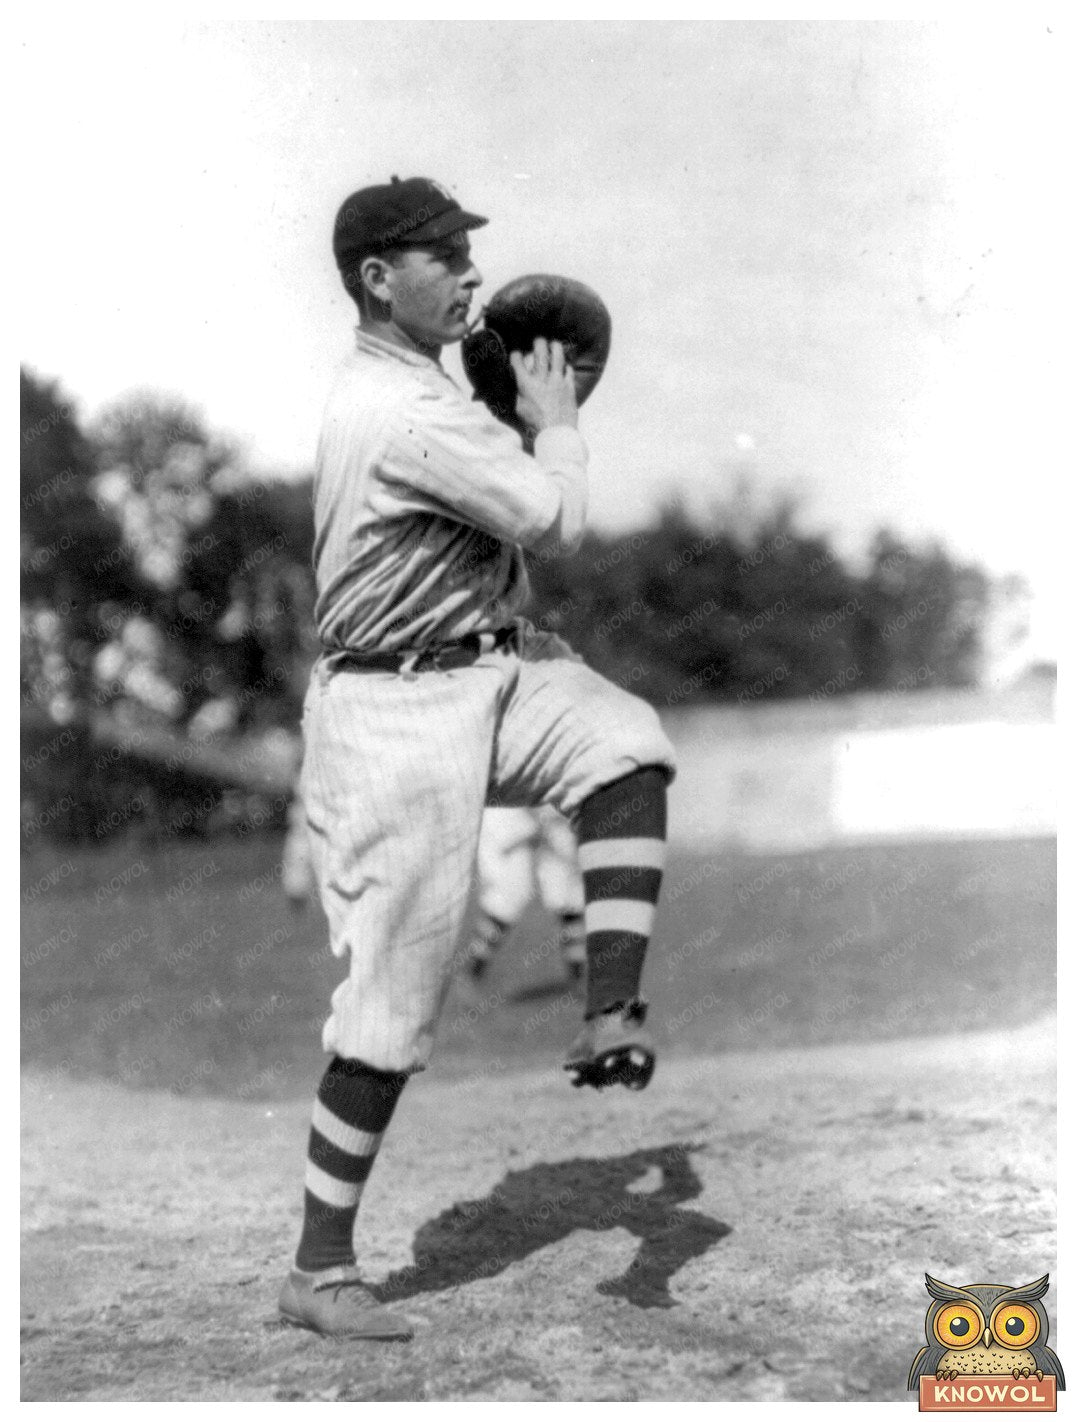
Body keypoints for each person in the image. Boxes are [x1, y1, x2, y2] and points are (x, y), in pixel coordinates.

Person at [278, 175, 676, 1340]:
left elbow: (484, 521)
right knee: (392, 1011)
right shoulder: (402, 412)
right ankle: (319, 1268)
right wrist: (550, 426)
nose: (468, 272)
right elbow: (554, 520)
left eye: (467, 253)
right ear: (375, 280)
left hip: (487, 673)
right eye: (442, 256)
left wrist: (506, 422)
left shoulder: (429, 395)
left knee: (626, 744)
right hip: (391, 714)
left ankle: (610, 1013)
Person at [464, 806, 586, 982]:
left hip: (544, 809)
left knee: (568, 892)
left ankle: (578, 976)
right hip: (509, 811)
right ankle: (472, 971)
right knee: (509, 893)